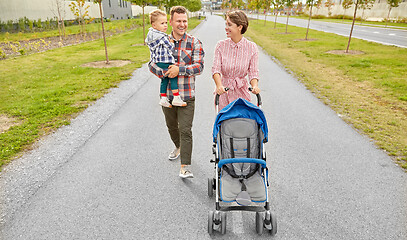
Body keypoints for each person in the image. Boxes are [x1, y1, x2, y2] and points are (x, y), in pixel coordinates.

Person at [149, 6, 205, 178]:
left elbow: (199, 67)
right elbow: (151, 63)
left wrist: (178, 70)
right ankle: (178, 146)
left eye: (185, 21)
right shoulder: (161, 40)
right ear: (171, 22)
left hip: (187, 95)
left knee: (186, 130)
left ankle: (185, 167)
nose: (182, 24)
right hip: (167, 96)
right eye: (178, 21)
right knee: (172, 126)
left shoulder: (194, 42)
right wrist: (163, 72)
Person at [212, 10, 260, 111]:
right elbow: (216, 69)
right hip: (224, 92)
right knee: (225, 124)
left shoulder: (251, 47)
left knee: (243, 123)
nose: (226, 27)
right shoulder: (221, 45)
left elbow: (253, 72)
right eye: (226, 24)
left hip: (242, 93)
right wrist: (219, 85)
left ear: (240, 27)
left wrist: (255, 86)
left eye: (229, 24)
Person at [145, 9, 187, 108]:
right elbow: (171, 47)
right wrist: (172, 42)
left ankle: (163, 98)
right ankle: (176, 97)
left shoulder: (150, 35)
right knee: (173, 76)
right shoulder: (163, 37)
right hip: (165, 61)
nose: (165, 25)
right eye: (162, 23)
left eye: (166, 23)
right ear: (154, 25)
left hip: (157, 61)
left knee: (164, 80)